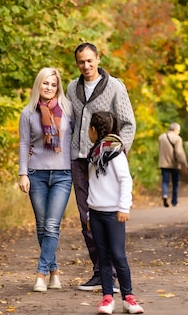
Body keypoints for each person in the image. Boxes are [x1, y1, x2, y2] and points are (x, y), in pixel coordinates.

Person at [67, 42, 136, 292]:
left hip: (105, 161)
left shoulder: (115, 86)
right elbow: (70, 123)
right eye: (81, 62)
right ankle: (100, 272)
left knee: (109, 214)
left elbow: (128, 123)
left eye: (89, 60)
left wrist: (115, 151)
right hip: (79, 159)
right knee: (87, 218)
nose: (86, 66)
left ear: (98, 59)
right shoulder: (72, 89)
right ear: (77, 64)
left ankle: (114, 274)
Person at [18, 67, 74, 292]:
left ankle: (41, 274)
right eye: (45, 83)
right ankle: (55, 271)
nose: (49, 88)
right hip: (36, 174)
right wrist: (23, 173)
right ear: (38, 85)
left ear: (58, 87)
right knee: (42, 226)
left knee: (52, 225)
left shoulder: (69, 109)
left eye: (53, 84)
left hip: (63, 174)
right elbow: (23, 144)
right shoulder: (28, 113)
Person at [87, 111, 144, 315]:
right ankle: (107, 298)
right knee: (103, 257)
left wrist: (123, 207)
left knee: (118, 256)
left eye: (89, 128)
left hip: (114, 214)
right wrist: (88, 216)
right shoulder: (94, 153)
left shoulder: (115, 153)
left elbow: (125, 180)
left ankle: (129, 298)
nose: (88, 132)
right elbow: (93, 186)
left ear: (94, 130)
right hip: (95, 213)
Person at [157, 122, 188, 207]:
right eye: (179, 130)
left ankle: (165, 194)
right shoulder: (177, 138)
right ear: (175, 129)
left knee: (165, 181)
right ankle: (174, 201)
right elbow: (179, 152)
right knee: (175, 183)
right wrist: (184, 163)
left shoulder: (161, 137)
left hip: (163, 163)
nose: (179, 132)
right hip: (174, 164)